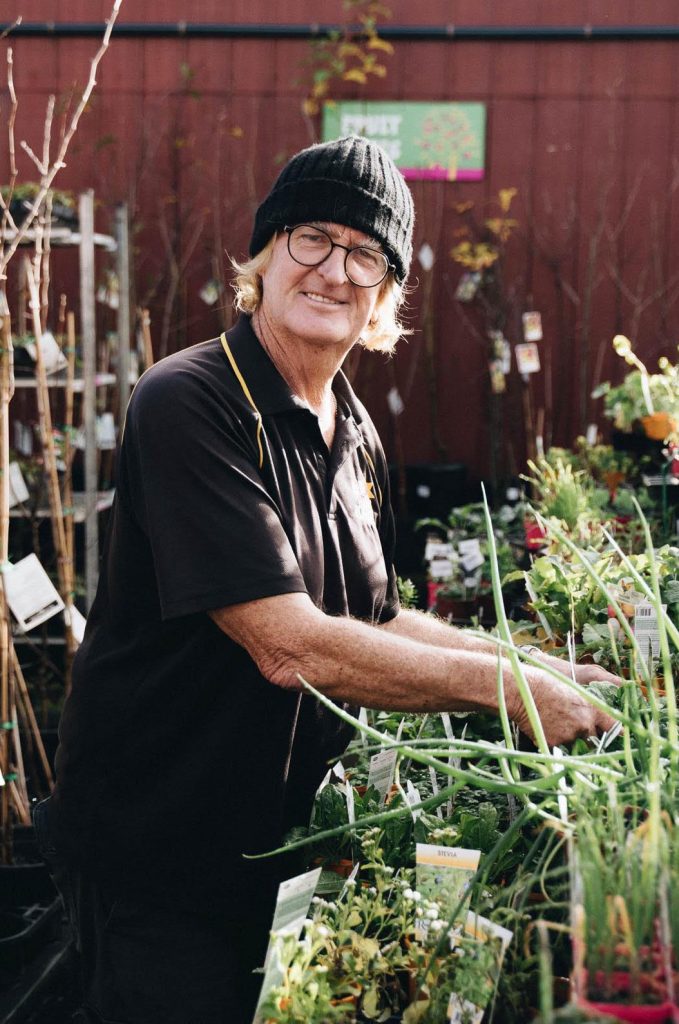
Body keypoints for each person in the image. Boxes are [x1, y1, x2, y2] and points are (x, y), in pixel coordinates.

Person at [39, 135, 618, 1024]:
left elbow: (377, 617)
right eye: (312, 236)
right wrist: (507, 689)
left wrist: (533, 664)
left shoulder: (351, 425)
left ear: (385, 294)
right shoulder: (191, 401)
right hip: (160, 848)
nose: (334, 270)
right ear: (265, 256)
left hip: (278, 844)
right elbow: (289, 642)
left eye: (365, 254)